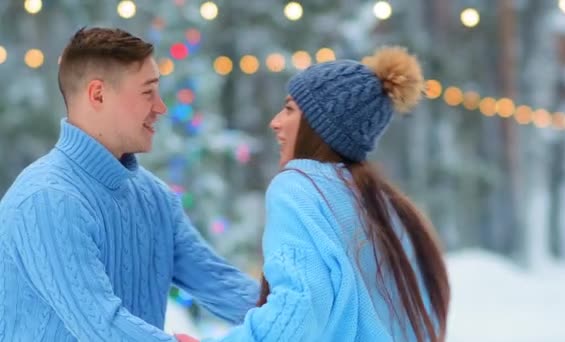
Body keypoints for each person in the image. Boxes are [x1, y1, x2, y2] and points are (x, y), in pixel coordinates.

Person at [0, 27, 259, 341]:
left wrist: (300, 317)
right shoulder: (46, 200)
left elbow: (218, 282)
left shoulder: (155, 197)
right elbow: (100, 325)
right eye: (148, 92)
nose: (161, 107)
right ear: (98, 94)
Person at [191, 46, 451, 342]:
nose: (275, 122)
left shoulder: (299, 187)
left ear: (318, 126)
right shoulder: (384, 205)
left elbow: (296, 310)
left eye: (289, 109)